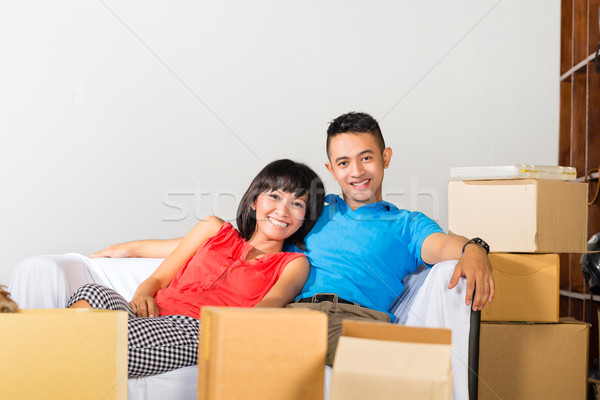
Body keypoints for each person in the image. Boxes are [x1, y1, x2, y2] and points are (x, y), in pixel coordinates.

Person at [93, 112, 494, 367]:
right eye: (343, 162)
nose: (356, 171)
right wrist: (132, 250)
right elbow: (230, 245)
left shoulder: (406, 224)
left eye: (367, 157)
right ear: (331, 169)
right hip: (294, 314)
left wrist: (474, 248)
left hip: (356, 318)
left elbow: (443, 246)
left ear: (385, 157)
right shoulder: (312, 210)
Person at [69, 159, 325, 377]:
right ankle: (56, 354)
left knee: (103, 339)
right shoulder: (214, 229)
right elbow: (158, 278)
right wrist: (142, 294)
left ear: (304, 218)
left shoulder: (293, 264)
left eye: (297, 204)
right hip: (151, 312)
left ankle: (51, 357)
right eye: (275, 196)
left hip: (199, 331)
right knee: (92, 292)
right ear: (254, 201)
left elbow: (270, 305)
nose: (282, 210)